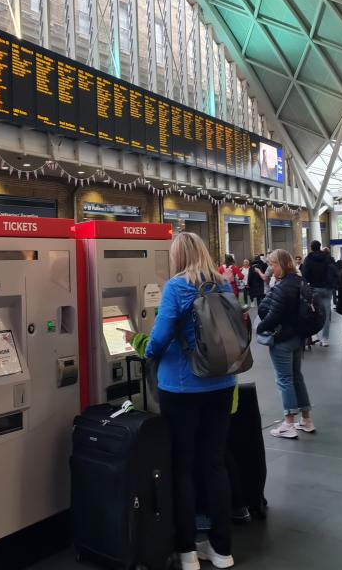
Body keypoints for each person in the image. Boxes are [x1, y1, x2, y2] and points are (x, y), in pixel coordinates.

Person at [125, 232, 236, 570]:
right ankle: (222, 550)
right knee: (214, 465)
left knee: (183, 467)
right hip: (222, 384)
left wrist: (137, 341)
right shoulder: (223, 284)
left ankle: (187, 551)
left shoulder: (176, 287)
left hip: (183, 388)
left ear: (177, 257)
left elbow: (158, 341)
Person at [256, 249, 314, 439]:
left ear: (281, 264)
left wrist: (259, 327)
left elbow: (274, 315)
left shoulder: (283, 286)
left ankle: (289, 423)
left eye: (273, 264)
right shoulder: (299, 281)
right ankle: (306, 419)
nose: (271, 269)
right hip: (298, 337)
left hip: (282, 338)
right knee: (297, 377)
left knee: (284, 379)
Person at [300, 240, 334, 347]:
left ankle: (314, 335)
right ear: (320, 247)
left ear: (311, 247)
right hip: (327, 289)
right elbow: (333, 271)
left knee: (313, 313)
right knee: (327, 314)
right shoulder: (328, 258)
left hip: (314, 288)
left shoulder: (308, 259)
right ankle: (325, 339)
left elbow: (304, 274)